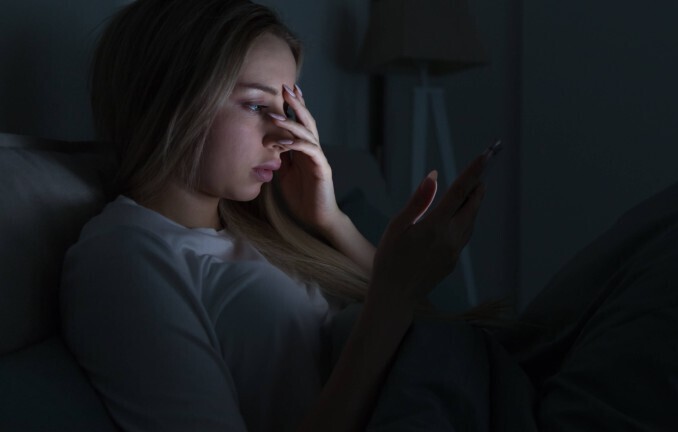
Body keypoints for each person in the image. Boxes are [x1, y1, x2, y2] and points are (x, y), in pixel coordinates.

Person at [59, 0, 501, 430]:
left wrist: (331, 220)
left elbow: (427, 319)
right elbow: (398, 311)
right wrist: (392, 301)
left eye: (288, 111)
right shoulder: (122, 255)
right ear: (168, 98)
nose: (284, 135)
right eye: (257, 105)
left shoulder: (260, 229)